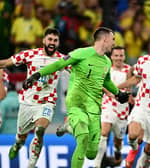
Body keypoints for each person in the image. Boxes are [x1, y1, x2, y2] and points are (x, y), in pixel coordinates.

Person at [23, 27, 130, 168]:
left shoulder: (106, 61)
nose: (114, 43)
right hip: (76, 104)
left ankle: (68, 127)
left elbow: (107, 81)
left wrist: (118, 93)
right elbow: (58, 64)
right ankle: (73, 126)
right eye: (113, 39)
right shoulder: (81, 53)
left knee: (91, 153)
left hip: (94, 108)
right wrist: (37, 75)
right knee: (83, 138)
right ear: (105, 39)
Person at [0, 27, 69, 168]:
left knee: (40, 130)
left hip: (47, 102)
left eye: (55, 40)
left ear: (58, 43)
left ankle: (31, 165)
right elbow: (6, 62)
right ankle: (17, 146)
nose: (52, 43)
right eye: (50, 39)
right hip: (28, 102)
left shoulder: (61, 60)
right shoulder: (31, 54)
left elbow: (78, 71)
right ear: (44, 40)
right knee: (21, 137)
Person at [118, 32, 150, 168]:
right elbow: (136, 78)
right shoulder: (143, 60)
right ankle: (134, 149)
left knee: (149, 150)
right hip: (142, 106)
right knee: (133, 134)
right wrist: (118, 88)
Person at [94, 46, 132, 168]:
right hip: (108, 105)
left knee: (118, 141)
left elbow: (133, 85)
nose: (118, 58)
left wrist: (130, 96)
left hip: (123, 109)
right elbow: (100, 85)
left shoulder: (129, 70)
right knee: (103, 132)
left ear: (124, 57)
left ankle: (117, 152)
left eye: (121, 55)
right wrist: (111, 93)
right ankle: (97, 164)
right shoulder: (106, 69)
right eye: (116, 55)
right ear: (111, 57)